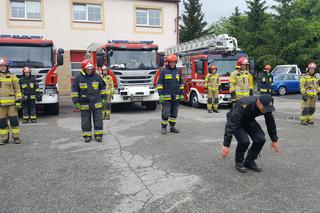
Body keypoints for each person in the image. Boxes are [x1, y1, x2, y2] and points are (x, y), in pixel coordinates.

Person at [221, 94, 280, 173]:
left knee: (260, 139)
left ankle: (249, 161)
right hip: (236, 121)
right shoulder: (244, 104)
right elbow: (231, 124)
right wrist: (226, 145)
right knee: (244, 141)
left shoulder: (266, 107)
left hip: (249, 120)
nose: (266, 110)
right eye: (264, 108)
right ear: (259, 102)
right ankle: (239, 162)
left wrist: (274, 140)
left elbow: (270, 123)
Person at [71, 59, 107, 143]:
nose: (89, 70)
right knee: (85, 120)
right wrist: (76, 102)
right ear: (83, 69)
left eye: (91, 69)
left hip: (96, 103)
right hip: (84, 103)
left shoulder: (97, 77)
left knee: (98, 119)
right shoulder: (78, 78)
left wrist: (104, 98)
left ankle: (98, 135)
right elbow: (74, 91)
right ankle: (87, 136)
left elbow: (102, 88)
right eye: (88, 69)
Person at [157, 54, 184, 134]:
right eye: (171, 62)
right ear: (168, 62)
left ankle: (172, 127)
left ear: (176, 62)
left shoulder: (178, 71)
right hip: (166, 97)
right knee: (165, 113)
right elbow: (159, 84)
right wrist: (160, 94)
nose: (172, 63)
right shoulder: (164, 71)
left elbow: (181, 84)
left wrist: (182, 94)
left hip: (176, 96)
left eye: (174, 62)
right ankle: (164, 128)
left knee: (174, 113)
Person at [0, 58, 22, 145]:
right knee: (2, 122)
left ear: (7, 67)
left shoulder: (12, 76)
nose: (2, 68)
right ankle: (4, 139)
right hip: (1, 105)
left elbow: (17, 89)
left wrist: (18, 100)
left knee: (14, 121)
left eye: (4, 66)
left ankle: (16, 138)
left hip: (12, 104)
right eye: (1, 66)